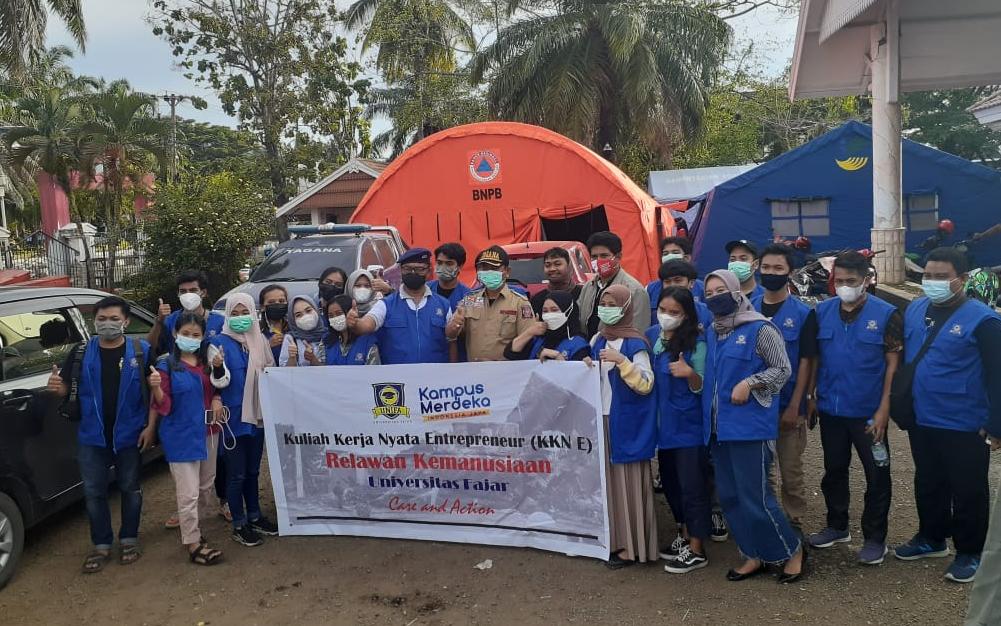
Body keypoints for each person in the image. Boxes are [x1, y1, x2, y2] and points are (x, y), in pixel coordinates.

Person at [894, 247, 1001, 584]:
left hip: (965, 420)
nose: (932, 282)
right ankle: (931, 537)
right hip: (922, 417)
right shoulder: (914, 309)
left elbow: (998, 375)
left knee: (968, 488)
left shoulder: (985, 321)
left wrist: (997, 425)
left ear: (963, 279)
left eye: (941, 277)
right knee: (928, 479)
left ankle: (970, 552)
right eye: (928, 275)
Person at [702, 270, 803, 583]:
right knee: (730, 497)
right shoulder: (712, 330)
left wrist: (751, 381)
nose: (715, 296)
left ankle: (792, 550)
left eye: (721, 289)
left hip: (750, 428)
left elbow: (782, 369)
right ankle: (752, 554)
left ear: (735, 290)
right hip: (718, 430)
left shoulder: (760, 328)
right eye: (709, 293)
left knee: (756, 497)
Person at [46, 296, 153, 573]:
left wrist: (150, 428)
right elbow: (65, 391)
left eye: (114, 319)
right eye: (102, 319)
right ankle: (101, 544)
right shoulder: (81, 352)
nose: (108, 324)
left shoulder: (141, 351)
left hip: (130, 435)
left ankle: (129, 538)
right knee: (94, 493)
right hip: (92, 437)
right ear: (95, 322)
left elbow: (155, 394)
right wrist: (56, 386)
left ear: (126, 322)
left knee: (130, 489)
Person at [808, 251, 901, 565]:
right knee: (834, 469)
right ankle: (837, 526)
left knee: (878, 473)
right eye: (840, 281)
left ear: (866, 279)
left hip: (868, 414)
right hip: (831, 411)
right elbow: (816, 359)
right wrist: (810, 397)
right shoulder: (822, 311)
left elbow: (892, 364)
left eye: (852, 281)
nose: (845, 286)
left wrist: (884, 408)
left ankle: (875, 538)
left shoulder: (887, 314)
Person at [149, 313, 227, 565]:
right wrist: (157, 388)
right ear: (175, 334)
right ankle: (193, 543)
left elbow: (216, 386)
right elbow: (164, 405)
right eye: (186, 334)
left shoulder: (207, 362)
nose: (191, 339)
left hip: (209, 432)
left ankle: (195, 528)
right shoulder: (166, 367)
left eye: (196, 335)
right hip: (181, 435)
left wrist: (216, 397)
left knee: (206, 486)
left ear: (203, 337)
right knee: (189, 492)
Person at [590, 284, 658, 568]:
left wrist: (623, 363)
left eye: (612, 303)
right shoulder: (597, 339)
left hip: (626, 421)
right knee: (609, 484)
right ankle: (614, 540)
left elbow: (646, 384)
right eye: (602, 302)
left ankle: (633, 547)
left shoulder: (636, 344)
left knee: (628, 482)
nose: (606, 307)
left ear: (626, 307)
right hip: (601, 419)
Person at [752, 244, 817, 532]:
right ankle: (767, 520)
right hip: (753, 405)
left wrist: (797, 405)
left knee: (790, 470)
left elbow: (806, 362)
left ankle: (794, 523)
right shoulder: (748, 308)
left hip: (788, 403)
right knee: (761, 470)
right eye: (766, 268)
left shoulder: (803, 314)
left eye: (778, 269)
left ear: (790, 272)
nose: (771, 273)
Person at [646, 287, 711, 574]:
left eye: (674, 312)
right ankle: (684, 535)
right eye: (663, 310)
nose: (667, 317)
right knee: (670, 485)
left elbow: (705, 386)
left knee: (692, 486)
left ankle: (697, 548)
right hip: (662, 428)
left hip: (688, 427)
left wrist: (690, 375)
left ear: (686, 315)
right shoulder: (651, 337)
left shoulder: (696, 343)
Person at [211, 293, 280, 549]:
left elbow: (272, 373)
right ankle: (239, 523)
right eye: (235, 314)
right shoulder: (218, 343)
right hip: (233, 418)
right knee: (236, 473)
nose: (241, 318)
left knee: (252, 471)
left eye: (245, 313)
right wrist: (217, 366)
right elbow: (218, 381)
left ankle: (255, 516)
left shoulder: (260, 341)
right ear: (228, 316)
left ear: (253, 313)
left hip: (258, 417)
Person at [351, 247, 454, 364]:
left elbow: (452, 342)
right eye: (408, 268)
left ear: (428, 271)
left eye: (420, 269)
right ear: (400, 270)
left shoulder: (443, 305)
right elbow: (367, 324)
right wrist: (356, 323)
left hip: (433, 379)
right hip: (397, 380)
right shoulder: (386, 305)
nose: (413, 273)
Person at [449, 246, 536, 362]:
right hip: (474, 371)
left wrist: (498, 363)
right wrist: (454, 325)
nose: (488, 272)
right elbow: (451, 335)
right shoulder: (470, 300)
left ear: (507, 271)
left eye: (494, 268)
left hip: (507, 373)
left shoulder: (520, 303)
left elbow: (528, 342)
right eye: (484, 268)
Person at [578, 231, 650, 337]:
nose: (598, 261)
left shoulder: (634, 290)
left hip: (616, 351)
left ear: (618, 257)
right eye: (594, 257)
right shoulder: (589, 286)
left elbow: (638, 331)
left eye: (604, 256)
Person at [150, 269, 225, 356]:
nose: (188, 294)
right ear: (178, 294)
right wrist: (159, 321)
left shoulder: (219, 321)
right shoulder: (170, 320)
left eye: (193, 290)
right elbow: (151, 348)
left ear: (203, 293)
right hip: (178, 368)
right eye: (183, 291)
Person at [504, 291, 590, 361]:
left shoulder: (578, 344)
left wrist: (558, 358)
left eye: (554, 310)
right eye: (545, 311)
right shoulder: (538, 338)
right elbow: (510, 353)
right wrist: (529, 332)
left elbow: (577, 375)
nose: (549, 314)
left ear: (569, 312)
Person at [429, 242, 472, 361]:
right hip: (431, 358)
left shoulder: (469, 296)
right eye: (439, 262)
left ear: (460, 266)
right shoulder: (425, 291)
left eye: (449, 263)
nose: (443, 267)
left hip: (458, 359)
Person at [649, 259, 713, 333]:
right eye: (667, 282)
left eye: (678, 281)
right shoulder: (651, 331)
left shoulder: (706, 312)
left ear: (691, 283)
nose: (672, 285)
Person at [646, 237, 705, 309]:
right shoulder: (650, 289)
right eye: (665, 253)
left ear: (687, 258)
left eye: (675, 252)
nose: (670, 256)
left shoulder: (702, 288)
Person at [324, 294, 380, 365]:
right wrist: (312, 359)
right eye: (331, 316)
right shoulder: (326, 341)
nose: (335, 318)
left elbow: (374, 372)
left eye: (339, 313)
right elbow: (322, 372)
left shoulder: (368, 342)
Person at [530, 247, 583, 313]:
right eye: (547, 265)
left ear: (569, 266)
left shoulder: (583, 294)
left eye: (557, 264)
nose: (552, 269)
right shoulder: (537, 300)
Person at [279, 295, 327, 366]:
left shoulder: (328, 335)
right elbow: (283, 373)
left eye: (308, 311)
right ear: (293, 320)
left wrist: (312, 359)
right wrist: (292, 357)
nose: (305, 316)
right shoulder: (291, 339)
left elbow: (335, 368)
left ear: (316, 310)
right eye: (298, 315)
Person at [259, 284, 289, 364]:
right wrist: (268, 346)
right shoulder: (257, 332)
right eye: (271, 302)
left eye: (281, 301)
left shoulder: (294, 329)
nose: (277, 304)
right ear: (262, 307)